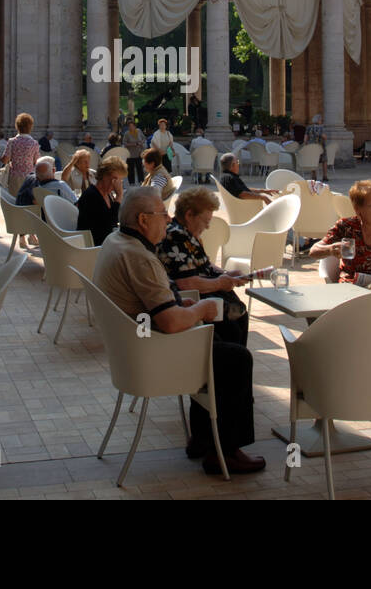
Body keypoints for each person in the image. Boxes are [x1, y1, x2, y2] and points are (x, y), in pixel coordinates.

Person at [93, 188, 265, 475]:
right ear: (144, 220)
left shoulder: (117, 241)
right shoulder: (140, 257)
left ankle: (204, 438)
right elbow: (172, 323)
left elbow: (158, 304)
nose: (168, 218)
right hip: (152, 353)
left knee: (221, 341)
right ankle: (225, 451)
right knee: (236, 359)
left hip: (134, 347)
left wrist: (179, 303)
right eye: (163, 214)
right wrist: (201, 309)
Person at [158, 187, 251, 345]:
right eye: (206, 221)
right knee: (234, 336)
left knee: (237, 324)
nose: (207, 227)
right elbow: (186, 282)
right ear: (189, 215)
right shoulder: (176, 236)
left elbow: (204, 265)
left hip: (208, 299)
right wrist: (221, 282)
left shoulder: (186, 235)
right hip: (195, 303)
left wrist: (227, 274)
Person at [76, 155, 126, 245]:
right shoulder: (91, 195)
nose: (115, 183)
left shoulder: (107, 194)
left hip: (105, 242)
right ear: (104, 175)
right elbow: (109, 223)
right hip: (94, 246)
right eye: (114, 179)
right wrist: (119, 196)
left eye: (119, 180)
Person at [1, 112, 41, 196]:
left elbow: (5, 160)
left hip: (15, 176)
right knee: (26, 201)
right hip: (29, 176)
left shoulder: (12, 141)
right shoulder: (34, 143)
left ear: (17, 126)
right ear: (30, 126)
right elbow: (37, 161)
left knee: (14, 200)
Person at [122, 120, 146, 186]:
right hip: (130, 154)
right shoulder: (127, 133)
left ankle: (141, 181)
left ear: (135, 126)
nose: (131, 127)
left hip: (139, 153)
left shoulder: (139, 131)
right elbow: (124, 143)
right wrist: (133, 144)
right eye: (129, 126)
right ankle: (131, 182)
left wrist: (141, 142)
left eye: (132, 126)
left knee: (140, 168)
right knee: (130, 169)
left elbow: (144, 138)